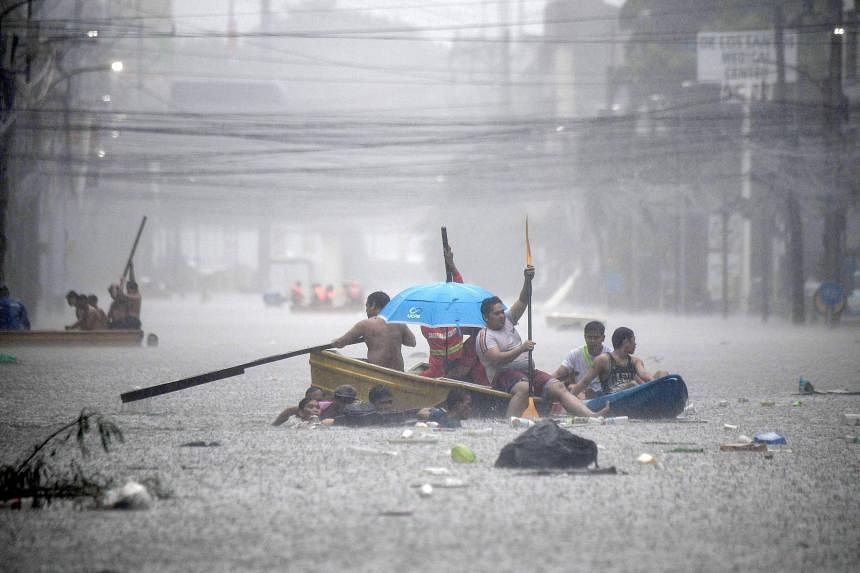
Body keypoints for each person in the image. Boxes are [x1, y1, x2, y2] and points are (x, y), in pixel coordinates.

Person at [476, 265, 607, 419]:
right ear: (486, 317)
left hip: (528, 372)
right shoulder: (485, 336)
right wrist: (521, 349)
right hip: (503, 375)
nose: (501, 316)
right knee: (525, 388)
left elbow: (523, 300)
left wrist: (527, 280)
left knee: (558, 386)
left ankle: (592, 416)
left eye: (502, 312)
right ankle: (510, 423)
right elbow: (496, 358)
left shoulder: (508, 319)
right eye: (496, 314)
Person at [418, 246, 489, 386]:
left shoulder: (428, 322)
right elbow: (460, 290)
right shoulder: (453, 321)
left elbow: (459, 291)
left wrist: (452, 265)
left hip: (448, 369)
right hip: (439, 371)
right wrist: (452, 266)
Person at [569, 326, 669, 398]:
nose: (636, 344)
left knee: (662, 373)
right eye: (633, 340)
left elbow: (643, 374)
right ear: (626, 342)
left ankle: (664, 398)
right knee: (632, 385)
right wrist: (569, 399)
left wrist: (656, 385)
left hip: (635, 392)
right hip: (612, 398)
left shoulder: (635, 361)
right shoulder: (603, 360)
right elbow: (585, 382)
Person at [332, 291, 416, 371]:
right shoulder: (399, 323)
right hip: (398, 373)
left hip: (377, 372)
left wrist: (335, 341)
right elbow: (412, 343)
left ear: (373, 305)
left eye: (367, 306)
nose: (366, 310)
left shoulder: (365, 324)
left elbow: (340, 343)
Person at [553, 321, 613, 399]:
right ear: (585, 337)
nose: (592, 341)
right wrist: (544, 383)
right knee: (571, 386)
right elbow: (558, 373)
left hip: (605, 393)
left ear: (603, 338)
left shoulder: (611, 354)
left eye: (596, 338)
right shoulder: (575, 354)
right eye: (589, 337)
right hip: (581, 392)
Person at [108, 264, 142, 330]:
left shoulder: (137, 296)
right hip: (128, 320)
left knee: (118, 324)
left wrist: (122, 282)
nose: (127, 290)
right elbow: (132, 280)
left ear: (133, 289)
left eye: (128, 288)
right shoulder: (129, 295)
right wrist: (131, 269)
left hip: (134, 320)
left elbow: (121, 294)